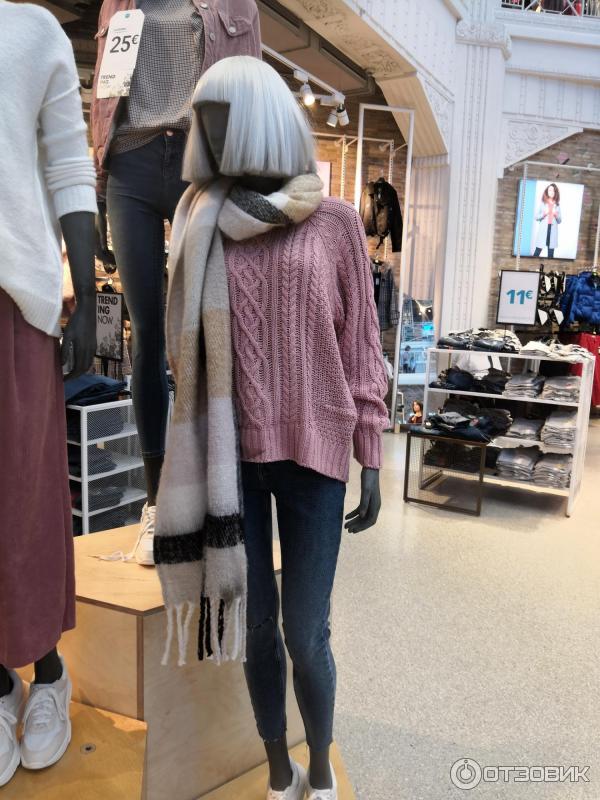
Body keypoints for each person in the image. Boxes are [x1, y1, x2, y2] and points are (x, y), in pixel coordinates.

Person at [153, 56, 389, 800]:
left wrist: (371, 453)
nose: (207, 133)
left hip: (315, 454)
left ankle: (319, 765)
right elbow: (180, 353)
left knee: (305, 633)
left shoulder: (335, 222)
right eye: (203, 120)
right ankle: (278, 767)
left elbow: (362, 346)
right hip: (230, 461)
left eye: (221, 117)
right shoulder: (199, 221)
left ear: (262, 121)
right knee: (256, 628)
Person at [92, 0, 262, 565]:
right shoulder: (119, 3)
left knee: (211, 333)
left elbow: (252, 88)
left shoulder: (238, 5)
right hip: (131, 164)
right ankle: (156, 503)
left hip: (202, 164)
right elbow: (104, 96)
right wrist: (96, 188)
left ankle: (216, 498)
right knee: (146, 334)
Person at [0, 4, 97, 786]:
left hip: (12, 294)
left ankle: (48, 670)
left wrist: (89, 295)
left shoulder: (30, 30)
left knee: (24, 494)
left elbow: (68, 160)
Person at [533, 183, 562, 258]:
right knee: (537, 251)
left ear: (555, 192)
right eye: (550, 190)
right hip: (544, 229)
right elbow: (536, 217)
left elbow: (559, 221)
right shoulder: (543, 203)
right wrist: (544, 213)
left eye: (553, 190)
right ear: (547, 191)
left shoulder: (557, 204)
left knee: (551, 253)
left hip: (553, 230)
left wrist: (555, 214)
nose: (551, 192)